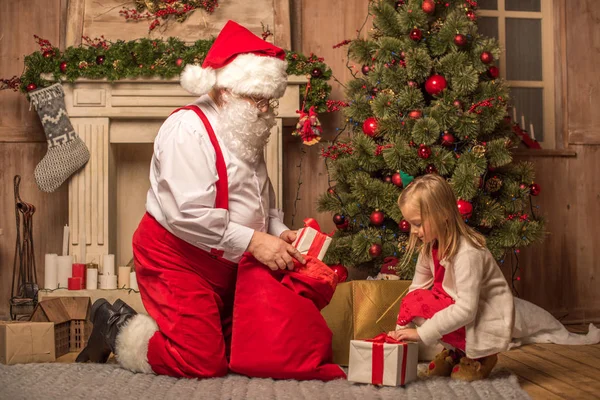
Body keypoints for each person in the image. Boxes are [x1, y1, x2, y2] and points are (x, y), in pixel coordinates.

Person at [76, 20, 307, 379]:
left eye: (269, 101)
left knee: (252, 349)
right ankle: (118, 326)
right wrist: (254, 242)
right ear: (224, 90)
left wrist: (277, 231)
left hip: (229, 259)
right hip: (176, 257)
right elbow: (187, 214)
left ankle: (185, 328)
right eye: (257, 100)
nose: (265, 110)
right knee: (203, 361)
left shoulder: (243, 126)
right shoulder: (187, 129)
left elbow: (260, 200)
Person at [387, 174, 514, 381]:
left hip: (480, 315)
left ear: (443, 214)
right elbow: (415, 291)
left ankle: (483, 356)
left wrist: (422, 334)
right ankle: (456, 352)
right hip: (456, 307)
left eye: (417, 223)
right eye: (410, 224)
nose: (413, 231)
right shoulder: (429, 248)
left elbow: (466, 309)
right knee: (414, 299)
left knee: (450, 312)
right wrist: (400, 331)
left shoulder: (468, 252)